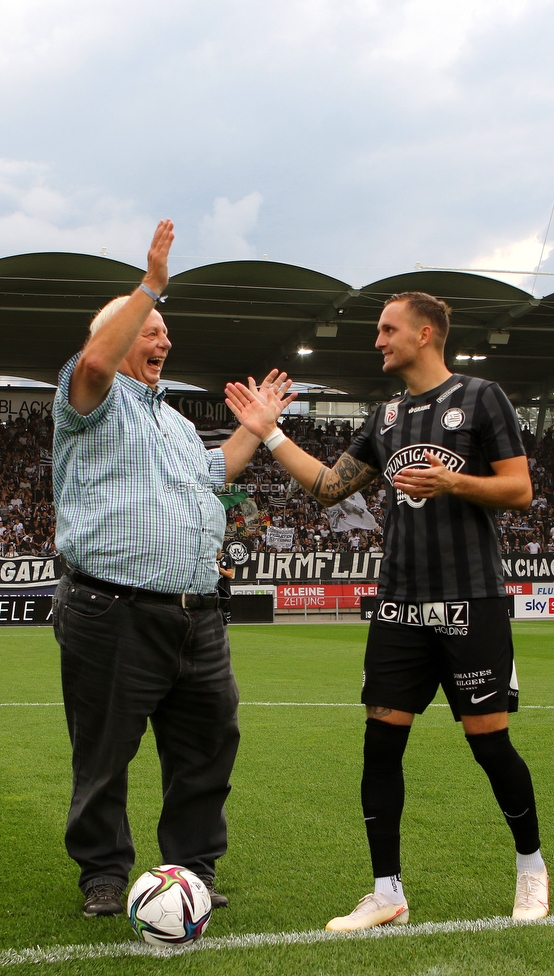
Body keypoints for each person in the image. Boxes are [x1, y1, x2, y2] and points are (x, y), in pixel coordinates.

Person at [225, 291, 548, 930]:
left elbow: (521, 490)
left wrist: (453, 481)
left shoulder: (482, 398)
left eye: (387, 329)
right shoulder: (387, 414)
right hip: (399, 604)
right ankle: (386, 894)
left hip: (470, 600)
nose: (378, 340)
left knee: (489, 746)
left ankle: (532, 870)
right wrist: (269, 432)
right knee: (381, 746)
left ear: (425, 333)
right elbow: (327, 487)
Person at [51, 219, 293, 917]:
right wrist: (150, 284)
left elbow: (216, 475)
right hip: (111, 611)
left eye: (162, 330)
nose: (163, 340)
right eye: (150, 330)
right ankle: (103, 872)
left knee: (209, 745)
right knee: (103, 755)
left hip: (198, 616)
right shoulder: (88, 401)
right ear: (119, 335)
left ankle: (192, 867)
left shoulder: (177, 422)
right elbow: (96, 364)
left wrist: (257, 427)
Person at [216, 549, 235, 623]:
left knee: (225, 619)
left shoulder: (227, 558)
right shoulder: (209, 558)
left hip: (224, 591)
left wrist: (219, 569)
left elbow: (230, 575)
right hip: (212, 592)